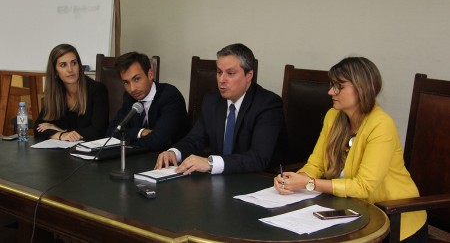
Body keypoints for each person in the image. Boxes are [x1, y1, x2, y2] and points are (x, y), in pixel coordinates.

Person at [274, 57, 427, 242]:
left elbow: (364, 187)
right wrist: (294, 179)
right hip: (350, 210)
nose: (331, 91)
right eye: (332, 85)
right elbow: (316, 163)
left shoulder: (381, 125)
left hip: (393, 218)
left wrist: (310, 184)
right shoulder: (333, 116)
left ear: (362, 88)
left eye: (339, 86)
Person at [155, 43, 288, 174]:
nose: (222, 80)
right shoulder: (212, 101)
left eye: (230, 73)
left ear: (249, 76)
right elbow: (195, 139)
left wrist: (210, 163)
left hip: (258, 181)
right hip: (220, 180)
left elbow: (258, 158)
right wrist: (173, 152)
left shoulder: (268, 104)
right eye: (219, 72)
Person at [105, 52, 190, 151]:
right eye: (126, 82)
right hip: (141, 158)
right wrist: (140, 132)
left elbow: (157, 142)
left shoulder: (170, 96)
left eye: (136, 79)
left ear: (150, 75)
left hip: (172, 160)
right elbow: (111, 133)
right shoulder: (129, 98)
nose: (132, 89)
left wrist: (129, 142)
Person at [34, 44, 109, 142]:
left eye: (73, 63)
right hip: (63, 152)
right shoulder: (56, 92)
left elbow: (97, 132)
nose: (70, 69)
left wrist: (64, 132)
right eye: (63, 65)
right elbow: (38, 128)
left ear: (79, 66)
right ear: (55, 71)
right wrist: (61, 135)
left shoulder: (97, 90)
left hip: (90, 152)